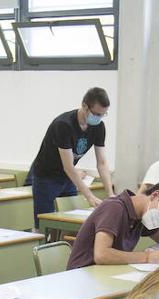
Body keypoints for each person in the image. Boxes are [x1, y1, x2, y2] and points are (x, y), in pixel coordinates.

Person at [27, 87, 115, 226]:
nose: (98, 118)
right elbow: (68, 166)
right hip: (46, 177)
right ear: (85, 106)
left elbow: (102, 163)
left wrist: (110, 195)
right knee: (44, 223)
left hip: (68, 178)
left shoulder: (98, 127)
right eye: (96, 113)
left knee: (71, 220)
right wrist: (89, 196)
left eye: (103, 114)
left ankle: (67, 247)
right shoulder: (64, 125)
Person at [66, 181, 159, 270]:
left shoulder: (143, 218)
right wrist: (147, 257)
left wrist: (155, 250)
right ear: (155, 195)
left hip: (107, 272)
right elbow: (101, 255)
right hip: (82, 274)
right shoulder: (115, 208)